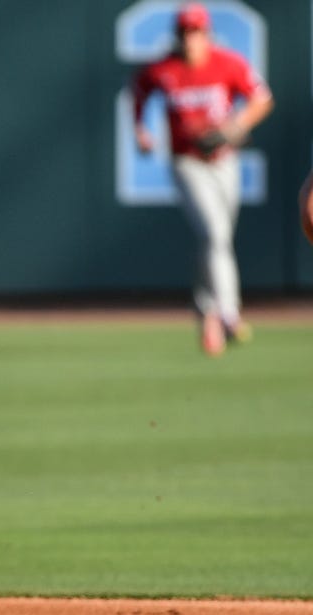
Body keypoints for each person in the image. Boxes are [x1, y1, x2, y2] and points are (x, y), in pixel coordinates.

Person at [131, 2, 273, 356]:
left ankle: (207, 312)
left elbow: (262, 99)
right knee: (215, 233)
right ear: (177, 36)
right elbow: (138, 91)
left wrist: (236, 125)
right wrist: (140, 129)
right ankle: (229, 312)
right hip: (187, 162)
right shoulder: (164, 68)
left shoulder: (228, 63)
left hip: (224, 161)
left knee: (217, 240)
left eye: (195, 32)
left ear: (206, 34)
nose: (190, 39)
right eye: (184, 33)